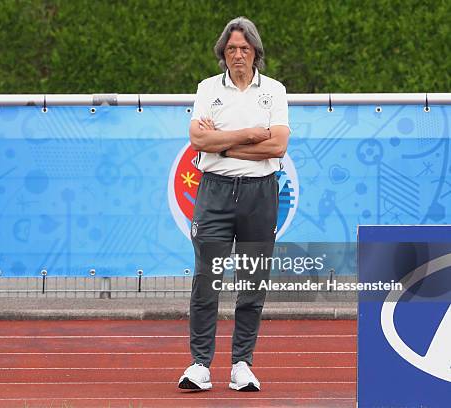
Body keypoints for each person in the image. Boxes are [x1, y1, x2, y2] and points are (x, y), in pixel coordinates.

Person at [177, 16, 290, 392]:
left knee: (252, 281)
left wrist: (222, 142)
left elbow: (277, 146)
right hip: (215, 192)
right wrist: (248, 136)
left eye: (244, 48)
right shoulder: (208, 89)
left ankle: (242, 363)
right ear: (222, 55)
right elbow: (197, 140)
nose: (237, 55)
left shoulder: (274, 90)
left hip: (261, 193)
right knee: (206, 281)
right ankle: (199, 364)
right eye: (230, 49)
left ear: (256, 52)